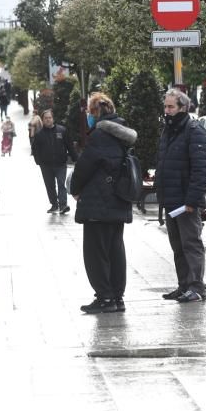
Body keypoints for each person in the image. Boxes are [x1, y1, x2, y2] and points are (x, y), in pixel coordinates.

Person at [70, 93, 137, 314]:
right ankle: (117, 297)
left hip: (98, 203)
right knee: (115, 248)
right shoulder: (123, 134)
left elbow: (83, 168)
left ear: (95, 113)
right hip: (118, 199)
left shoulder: (100, 135)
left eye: (89, 113)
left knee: (96, 252)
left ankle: (105, 297)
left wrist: (75, 189)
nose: (88, 117)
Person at [156, 89, 206, 303]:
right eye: (166, 106)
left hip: (186, 202)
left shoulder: (193, 130)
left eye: (171, 107)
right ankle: (184, 285)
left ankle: (197, 287)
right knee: (177, 246)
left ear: (183, 107)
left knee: (191, 244)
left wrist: (191, 200)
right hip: (171, 199)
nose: (167, 111)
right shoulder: (169, 130)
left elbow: (201, 169)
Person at [32, 110, 78, 214]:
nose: (48, 120)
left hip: (60, 163)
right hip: (46, 165)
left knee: (61, 184)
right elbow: (35, 149)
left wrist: (76, 159)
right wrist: (38, 161)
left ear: (53, 119)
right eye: (46, 118)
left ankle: (63, 205)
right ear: (43, 120)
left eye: (49, 118)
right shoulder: (39, 135)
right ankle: (54, 204)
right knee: (50, 185)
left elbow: (69, 146)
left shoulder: (62, 131)